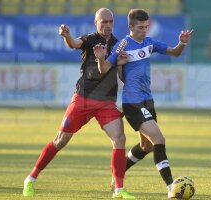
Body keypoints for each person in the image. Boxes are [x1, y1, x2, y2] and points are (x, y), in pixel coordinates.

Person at [22, 8, 135, 199]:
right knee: (60, 140)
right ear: (95, 22)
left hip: (106, 102)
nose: (107, 25)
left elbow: (123, 76)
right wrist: (67, 36)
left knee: (120, 139)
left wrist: (123, 65)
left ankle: (119, 189)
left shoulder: (118, 45)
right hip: (83, 99)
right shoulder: (90, 39)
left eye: (110, 22)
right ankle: (30, 179)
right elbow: (74, 43)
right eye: (103, 22)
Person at [93, 9, 193, 198]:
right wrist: (100, 59)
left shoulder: (149, 42)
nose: (144, 31)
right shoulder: (123, 44)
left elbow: (175, 53)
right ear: (130, 27)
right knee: (159, 139)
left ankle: (117, 173)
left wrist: (182, 43)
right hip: (132, 103)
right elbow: (105, 68)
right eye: (140, 27)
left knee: (146, 147)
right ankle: (171, 186)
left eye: (146, 27)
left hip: (148, 101)